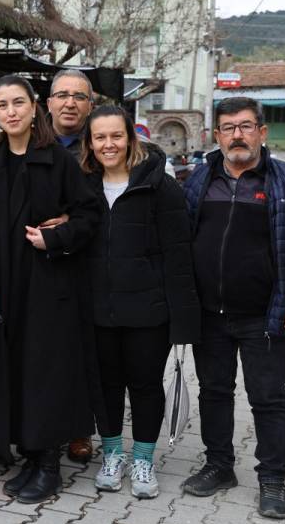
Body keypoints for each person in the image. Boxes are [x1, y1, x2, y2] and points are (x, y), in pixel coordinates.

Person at [181, 96, 285, 519]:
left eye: (246, 126)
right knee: (214, 391)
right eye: (229, 127)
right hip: (208, 314)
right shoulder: (198, 179)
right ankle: (218, 466)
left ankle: (272, 479)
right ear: (216, 135)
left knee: (267, 397)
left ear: (261, 133)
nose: (237, 135)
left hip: (264, 315)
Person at [0, 75, 103, 504]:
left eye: (17, 103)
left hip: (49, 285)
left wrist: (56, 238)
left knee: (44, 374)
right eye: (2, 105)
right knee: (10, 371)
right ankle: (27, 453)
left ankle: (48, 463)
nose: (10, 112)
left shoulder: (57, 161)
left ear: (34, 109)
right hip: (4, 287)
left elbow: (90, 216)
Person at [80, 105, 200, 499]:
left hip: (149, 312)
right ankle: (113, 453)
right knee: (107, 385)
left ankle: (144, 459)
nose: (108, 144)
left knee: (146, 386)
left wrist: (182, 321)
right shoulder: (82, 185)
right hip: (98, 309)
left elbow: (179, 255)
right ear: (90, 142)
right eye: (100, 137)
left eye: (116, 136)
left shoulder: (159, 186)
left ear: (130, 138)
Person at [44, 69, 100, 465]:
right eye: (61, 95)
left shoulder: (101, 146)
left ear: (90, 105)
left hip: (86, 262)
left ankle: (80, 430)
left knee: (82, 353)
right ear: (47, 103)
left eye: (78, 97)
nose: (69, 103)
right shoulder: (31, 142)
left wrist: (73, 223)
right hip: (37, 261)